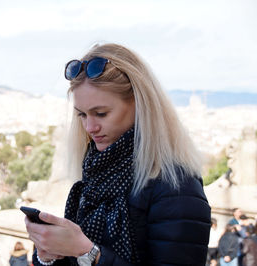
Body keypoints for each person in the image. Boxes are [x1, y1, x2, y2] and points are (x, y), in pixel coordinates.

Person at [24, 43, 211, 265]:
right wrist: (48, 255)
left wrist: (89, 253)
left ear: (140, 104)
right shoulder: (96, 174)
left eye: (101, 113)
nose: (90, 127)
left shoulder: (177, 186)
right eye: (82, 115)